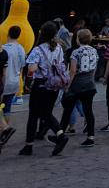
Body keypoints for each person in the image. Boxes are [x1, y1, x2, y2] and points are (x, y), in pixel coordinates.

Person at [20, 21, 68, 156]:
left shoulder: (38, 50)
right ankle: (60, 134)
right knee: (47, 113)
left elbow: (32, 69)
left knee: (33, 114)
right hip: (54, 84)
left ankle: (28, 145)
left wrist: (30, 75)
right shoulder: (58, 47)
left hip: (41, 84)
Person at [58, 28, 98, 149]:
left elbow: (73, 70)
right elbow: (94, 68)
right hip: (90, 83)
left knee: (67, 110)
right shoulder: (94, 50)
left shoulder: (76, 52)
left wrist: (67, 85)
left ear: (77, 39)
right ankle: (91, 136)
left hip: (77, 85)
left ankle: (60, 134)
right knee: (88, 111)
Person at [1, 25, 26, 147]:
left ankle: (4, 130)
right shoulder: (21, 49)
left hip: (4, 81)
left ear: (8, 34)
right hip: (15, 81)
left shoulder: (4, 49)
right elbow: (22, 66)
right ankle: (4, 131)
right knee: (7, 107)